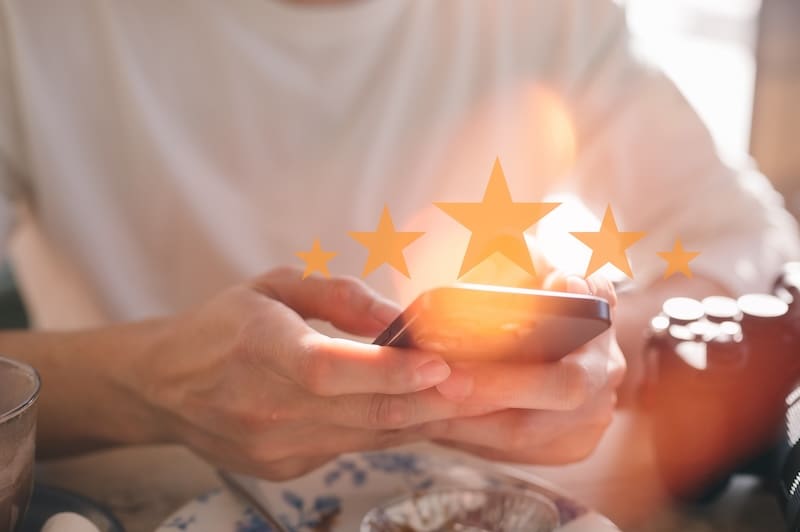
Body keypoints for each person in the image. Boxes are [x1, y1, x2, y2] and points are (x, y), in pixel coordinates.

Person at [0, 0, 795, 484]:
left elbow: (754, 245)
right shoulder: (31, 23)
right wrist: (146, 387)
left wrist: (586, 354)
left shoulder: (558, 14)